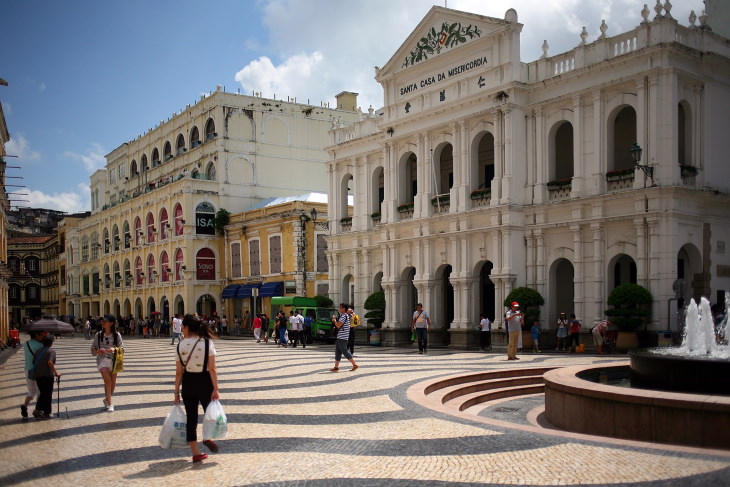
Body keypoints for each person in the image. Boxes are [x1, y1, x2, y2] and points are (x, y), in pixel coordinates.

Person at [173, 314, 221, 463]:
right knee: (211, 414)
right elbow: (212, 368)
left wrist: (176, 392)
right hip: (205, 381)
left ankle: (196, 452)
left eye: (183, 326)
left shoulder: (180, 345)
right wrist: (216, 389)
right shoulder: (207, 343)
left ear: (187, 327)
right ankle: (207, 437)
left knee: (191, 418)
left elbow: (179, 372)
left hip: (188, 383)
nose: (181, 329)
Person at [91, 314, 124, 412]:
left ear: (111, 323)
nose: (103, 323)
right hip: (102, 361)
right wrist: (97, 351)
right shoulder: (98, 335)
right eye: (102, 321)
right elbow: (92, 349)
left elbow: (122, 349)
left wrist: (113, 349)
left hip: (114, 362)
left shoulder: (117, 335)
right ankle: (110, 404)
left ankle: (106, 399)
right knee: (108, 381)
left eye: (105, 321)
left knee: (112, 384)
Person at [32, 336, 62, 419]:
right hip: (47, 375)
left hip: (38, 375)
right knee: (48, 394)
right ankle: (47, 412)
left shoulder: (38, 351)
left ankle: (38, 410)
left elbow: (34, 362)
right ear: (51, 343)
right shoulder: (51, 351)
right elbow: (50, 362)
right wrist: (56, 373)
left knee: (42, 392)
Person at [21, 329, 47, 419]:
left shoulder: (26, 344)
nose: (43, 336)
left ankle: (25, 405)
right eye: (41, 335)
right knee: (39, 391)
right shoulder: (40, 345)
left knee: (31, 391)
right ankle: (37, 410)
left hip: (27, 370)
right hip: (37, 371)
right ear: (36, 334)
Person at [331, 303, 358, 372]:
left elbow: (338, 325)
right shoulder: (345, 316)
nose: (339, 309)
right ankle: (336, 367)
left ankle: (354, 364)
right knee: (338, 352)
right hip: (341, 336)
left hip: (342, 337)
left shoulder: (344, 316)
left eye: (340, 308)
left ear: (343, 309)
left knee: (344, 351)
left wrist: (334, 320)